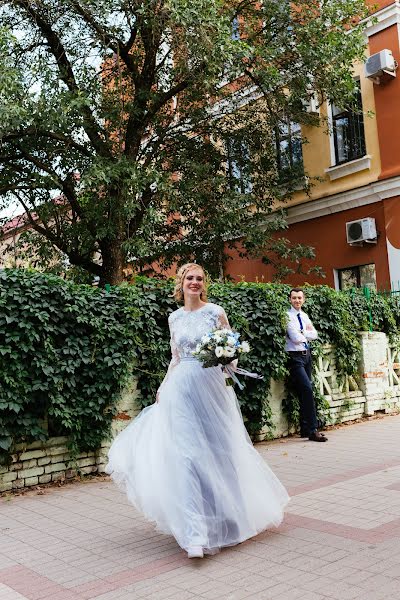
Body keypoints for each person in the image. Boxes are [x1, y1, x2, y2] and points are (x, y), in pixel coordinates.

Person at [106, 263, 289, 559]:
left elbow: (232, 353)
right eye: (189, 278)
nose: (194, 282)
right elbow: (175, 358)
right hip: (180, 389)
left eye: (199, 279)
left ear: (205, 284)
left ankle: (233, 517)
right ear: (181, 283)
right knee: (187, 456)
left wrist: (228, 362)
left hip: (212, 388)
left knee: (221, 452)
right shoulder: (174, 318)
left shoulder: (215, 312)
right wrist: (163, 387)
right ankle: (195, 534)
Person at [286, 288, 328, 442]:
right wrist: (305, 334)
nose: (297, 300)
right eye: (294, 298)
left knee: (305, 392)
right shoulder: (287, 316)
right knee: (307, 389)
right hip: (295, 357)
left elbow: (314, 334)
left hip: (307, 356)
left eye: (299, 298)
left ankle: (304, 428)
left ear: (304, 299)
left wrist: (302, 333)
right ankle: (312, 430)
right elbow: (295, 338)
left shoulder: (304, 316)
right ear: (290, 299)